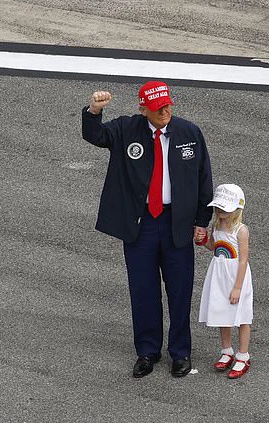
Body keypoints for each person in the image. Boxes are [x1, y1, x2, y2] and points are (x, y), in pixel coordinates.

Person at [81, 81, 213, 378]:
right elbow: (95, 135)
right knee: (143, 290)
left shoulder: (189, 133)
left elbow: (204, 177)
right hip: (141, 224)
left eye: (167, 105)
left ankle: (180, 352)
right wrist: (93, 111)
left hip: (176, 222)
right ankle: (147, 351)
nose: (165, 111)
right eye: (157, 108)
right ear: (144, 110)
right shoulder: (127, 129)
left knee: (179, 291)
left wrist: (201, 221)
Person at [197, 184, 253, 379]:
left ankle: (243, 355)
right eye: (218, 208)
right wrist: (203, 240)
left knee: (242, 316)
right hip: (219, 274)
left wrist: (238, 287)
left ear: (237, 209)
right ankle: (226, 350)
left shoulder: (241, 230)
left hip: (236, 276)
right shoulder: (217, 226)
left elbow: (243, 259)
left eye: (225, 208)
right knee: (222, 312)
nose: (221, 212)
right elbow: (216, 247)